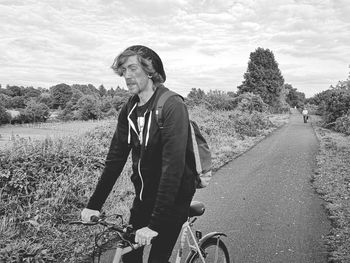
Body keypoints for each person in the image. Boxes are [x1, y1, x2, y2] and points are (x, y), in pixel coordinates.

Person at [81, 45, 196, 263]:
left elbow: (173, 167)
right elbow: (115, 159)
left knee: (157, 258)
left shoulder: (172, 105)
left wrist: (155, 224)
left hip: (173, 200)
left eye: (133, 68)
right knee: (129, 255)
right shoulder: (130, 109)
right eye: (124, 70)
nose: (127, 75)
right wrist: (93, 204)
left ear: (150, 69)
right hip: (144, 197)